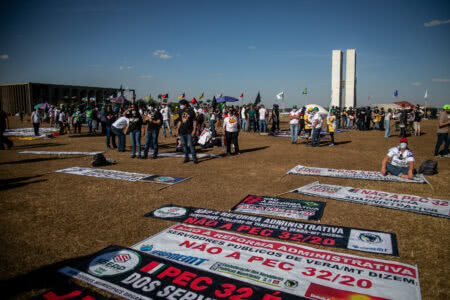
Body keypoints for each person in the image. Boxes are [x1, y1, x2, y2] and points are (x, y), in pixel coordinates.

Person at [176, 100, 198, 164]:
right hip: (182, 131)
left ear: (185, 105)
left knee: (191, 145)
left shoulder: (191, 111)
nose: (180, 106)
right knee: (184, 145)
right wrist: (177, 130)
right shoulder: (180, 111)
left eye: (181, 104)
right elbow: (179, 121)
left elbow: (194, 121)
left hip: (189, 131)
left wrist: (194, 130)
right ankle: (186, 157)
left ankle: (194, 158)